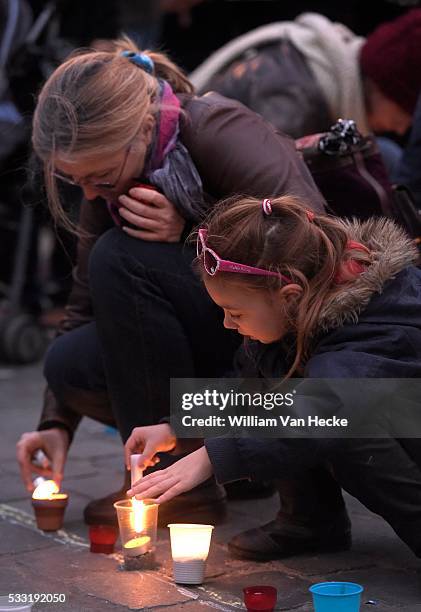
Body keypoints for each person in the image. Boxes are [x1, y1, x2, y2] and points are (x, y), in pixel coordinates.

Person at [15, 37, 325, 527]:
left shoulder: (219, 131)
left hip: (285, 337)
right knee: (69, 362)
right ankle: (209, 464)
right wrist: (56, 424)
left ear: (138, 130)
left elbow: (312, 247)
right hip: (219, 334)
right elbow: (83, 303)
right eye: (77, 183)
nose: (92, 192)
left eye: (100, 176)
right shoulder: (113, 174)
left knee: (122, 259)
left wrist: (192, 231)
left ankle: (181, 482)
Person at [125, 194, 421, 560]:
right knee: (272, 372)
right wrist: (176, 427)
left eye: (234, 312)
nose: (227, 324)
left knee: (336, 422)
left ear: (290, 296)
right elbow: (248, 391)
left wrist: (213, 457)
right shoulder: (306, 305)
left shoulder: (383, 322)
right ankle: (309, 522)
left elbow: (324, 409)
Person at [190, 9, 421, 175]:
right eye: (408, 112)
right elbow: (257, 202)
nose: (403, 127)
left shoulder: (319, 64)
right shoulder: (296, 106)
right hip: (196, 192)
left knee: (384, 155)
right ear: (385, 90)